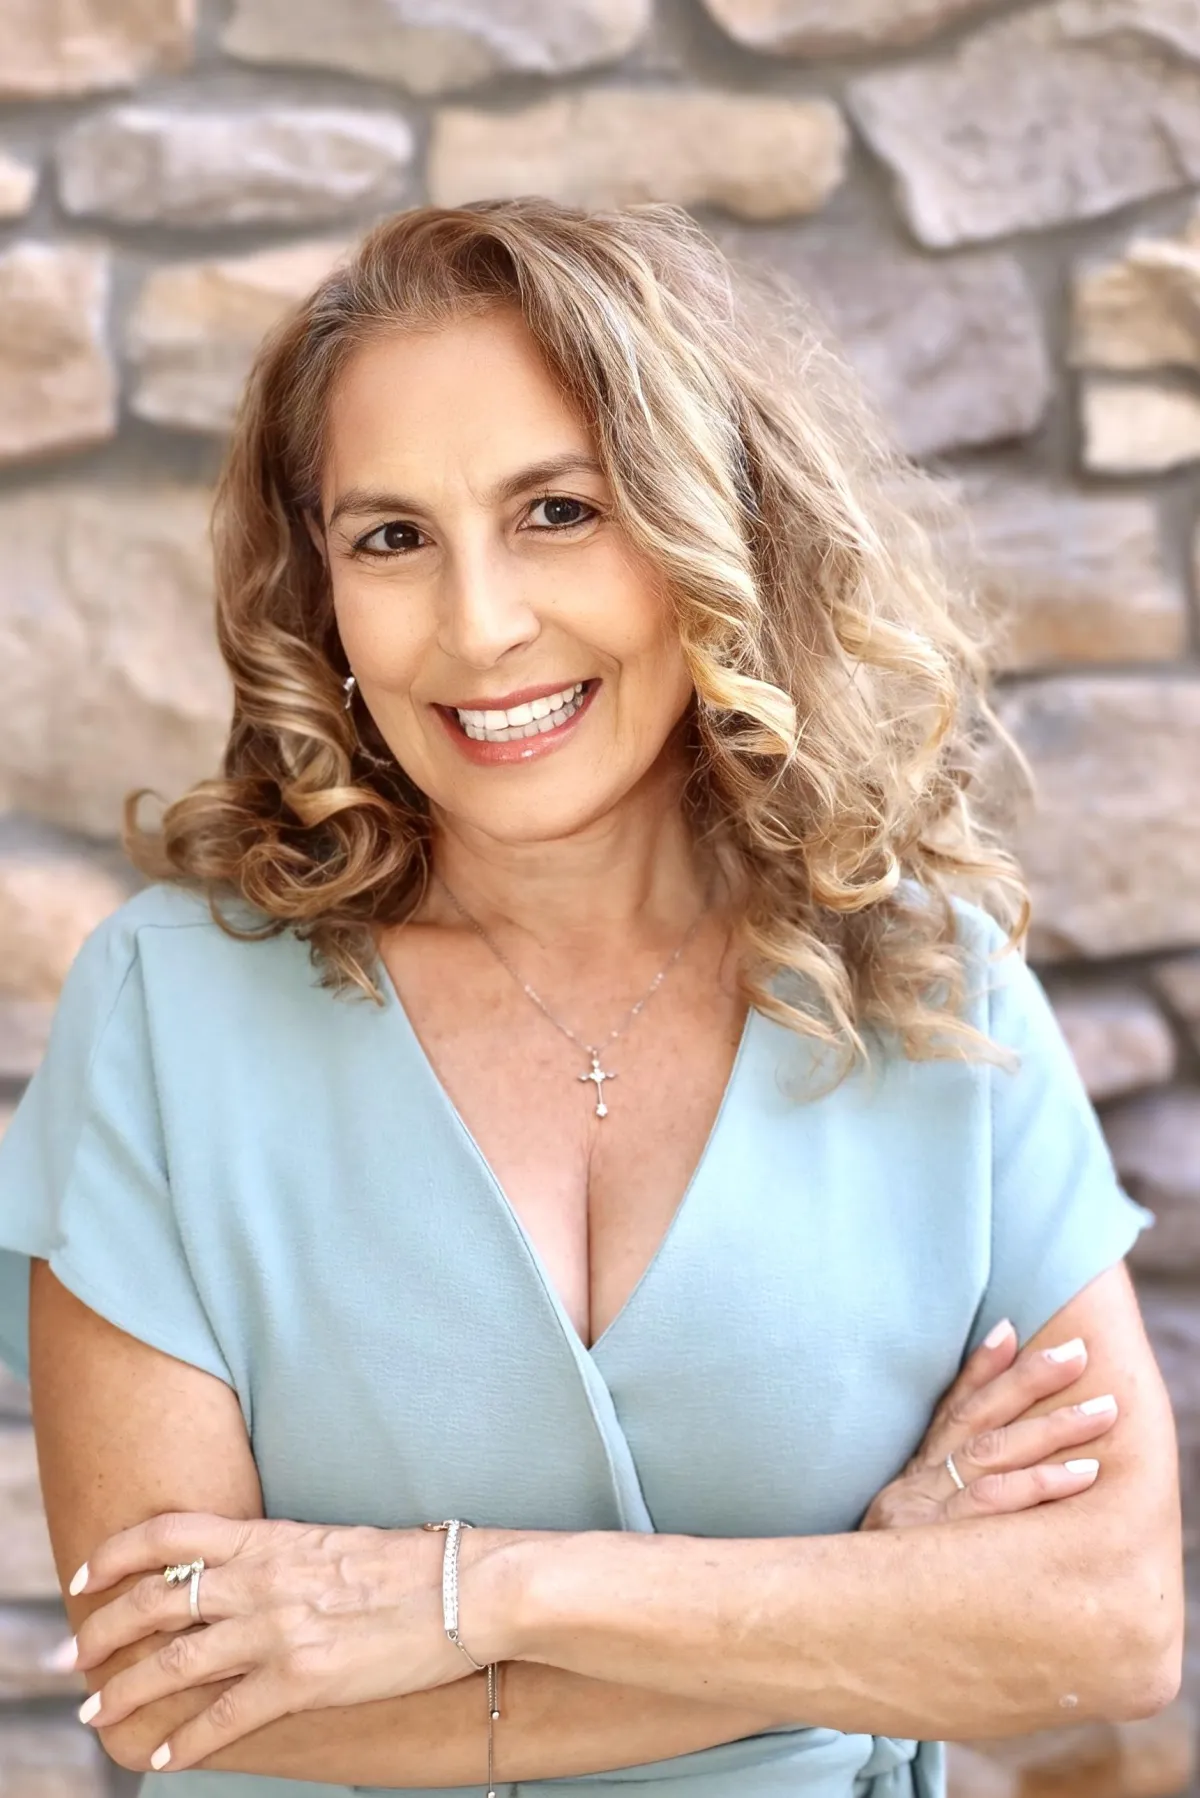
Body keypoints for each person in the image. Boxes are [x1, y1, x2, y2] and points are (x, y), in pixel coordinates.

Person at [0, 198, 1182, 1798]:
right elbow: (176, 1690)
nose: (480, 628)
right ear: (323, 596)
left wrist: (484, 1592)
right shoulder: (171, 1008)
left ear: (713, 531)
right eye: (391, 537)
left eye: (558, 510)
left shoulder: (925, 984)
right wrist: (860, 1600)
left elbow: (1106, 1624)